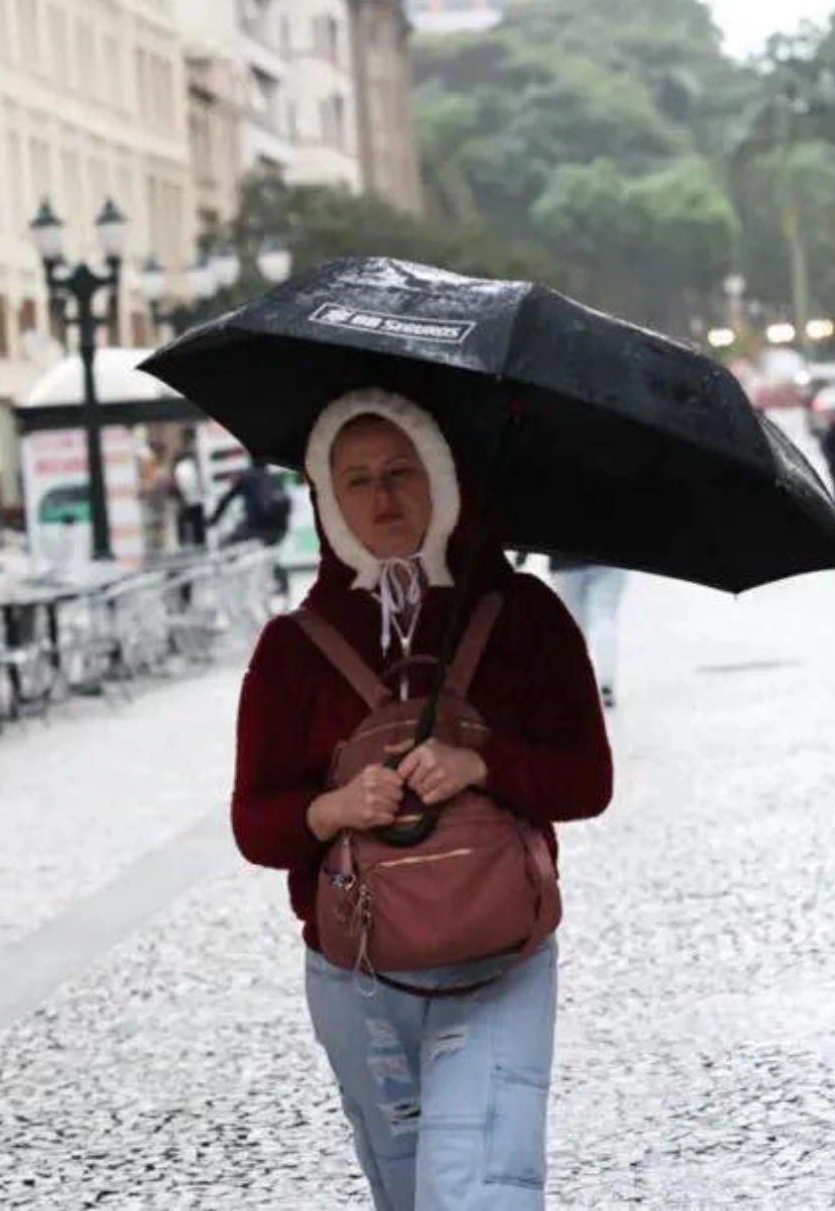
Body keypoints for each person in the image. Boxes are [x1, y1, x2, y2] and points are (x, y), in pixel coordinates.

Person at [233, 389, 612, 1209]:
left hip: (498, 959)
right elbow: (255, 824)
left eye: (403, 470)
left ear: (446, 478)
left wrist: (482, 765)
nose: (382, 497)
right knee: (408, 1192)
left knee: (476, 1187)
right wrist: (332, 810)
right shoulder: (290, 649)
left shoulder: (527, 619)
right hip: (358, 979)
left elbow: (589, 782)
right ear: (327, 500)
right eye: (357, 478)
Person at [549, 557, 627, 708]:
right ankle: (606, 683)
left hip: (565, 560)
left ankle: (576, 685)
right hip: (611, 556)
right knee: (604, 616)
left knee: (573, 624)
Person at [208, 456, 291, 547]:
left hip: (256, 527)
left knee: (226, 542)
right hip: (280, 530)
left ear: (250, 462)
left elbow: (226, 499)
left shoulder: (246, 477)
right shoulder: (274, 478)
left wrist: (214, 519)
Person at [171, 429, 206, 549]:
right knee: (196, 527)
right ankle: (195, 544)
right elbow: (182, 485)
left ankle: (195, 543)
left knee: (196, 527)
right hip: (193, 500)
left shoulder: (189, 462)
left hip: (194, 500)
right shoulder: (184, 465)